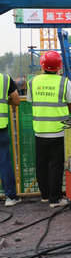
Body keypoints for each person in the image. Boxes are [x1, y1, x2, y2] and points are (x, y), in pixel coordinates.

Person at [28, 51, 71, 208]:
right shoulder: (64, 82)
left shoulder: (32, 82)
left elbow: (31, 101)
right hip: (58, 130)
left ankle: (45, 195)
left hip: (40, 130)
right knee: (56, 165)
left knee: (41, 164)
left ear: (42, 66)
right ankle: (55, 198)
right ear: (59, 67)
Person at [1, 72, 22, 207]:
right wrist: (6, 101)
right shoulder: (5, 79)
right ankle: (10, 197)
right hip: (1, 128)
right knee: (4, 163)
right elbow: (16, 100)